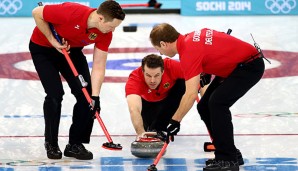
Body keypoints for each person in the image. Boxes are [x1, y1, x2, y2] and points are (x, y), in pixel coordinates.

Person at [150, 23, 265, 171]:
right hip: (237, 66)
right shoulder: (190, 37)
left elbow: (190, 94)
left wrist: (175, 121)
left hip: (249, 66)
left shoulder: (188, 52)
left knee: (217, 104)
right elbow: (217, 44)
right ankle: (232, 153)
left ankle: (228, 160)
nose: (160, 54)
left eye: (158, 49)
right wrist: (206, 71)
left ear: (163, 44)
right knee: (204, 106)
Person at [29, 1, 125, 160]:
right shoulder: (71, 12)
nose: (112, 30)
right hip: (43, 49)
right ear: (100, 18)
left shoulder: (105, 33)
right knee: (55, 94)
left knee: (87, 97)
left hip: (71, 51)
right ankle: (51, 143)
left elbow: (99, 66)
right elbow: (37, 12)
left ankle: (75, 144)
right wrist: (52, 40)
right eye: (111, 26)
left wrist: (95, 97)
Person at [125, 54, 202, 141]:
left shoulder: (171, 66)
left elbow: (198, 76)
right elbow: (134, 109)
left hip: (168, 101)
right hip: (147, 104)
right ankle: (157, 127)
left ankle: (162, 126)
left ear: (163, 71)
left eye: (157, 75)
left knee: (186, 83)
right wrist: (141, 134)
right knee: (149, 130)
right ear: (142, 72)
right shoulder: (135, 79)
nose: (152, 80)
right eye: (148, 75)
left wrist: (205, 101)